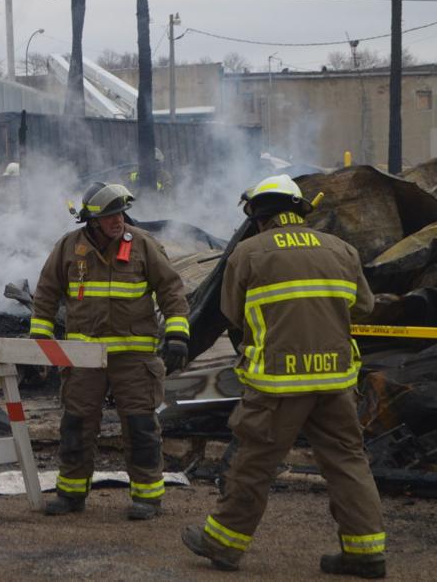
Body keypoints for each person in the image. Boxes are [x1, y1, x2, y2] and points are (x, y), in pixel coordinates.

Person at [182, 175, 384, 577]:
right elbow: (364, 306)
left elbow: (232, 314)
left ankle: (223, 543)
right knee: (347, 461)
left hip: (278, 382)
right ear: (298, 210)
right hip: (335, 379)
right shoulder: (341, 249)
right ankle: (365, 552)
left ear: (259, 216)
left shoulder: (250, 253)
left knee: (253, 462)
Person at [31, 182, 190, 520]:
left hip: (134, 357)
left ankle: (147, 497)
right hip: (83, 357)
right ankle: (71, 494)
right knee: (76, 424)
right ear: (91, 220)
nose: (117, 220)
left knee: (141, 425)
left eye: (119, 213)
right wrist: (41, 347)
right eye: (109, 215)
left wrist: (178, 334)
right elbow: (45, 294)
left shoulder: (143, 244)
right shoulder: (68, 248)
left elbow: (172, 290)